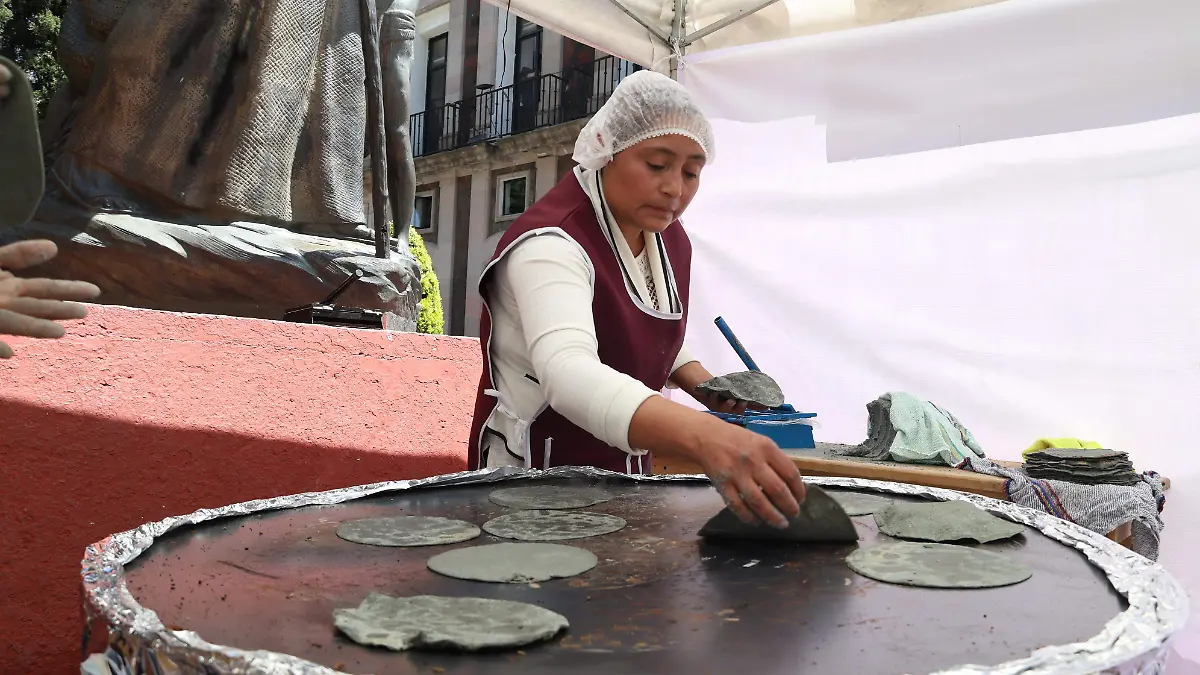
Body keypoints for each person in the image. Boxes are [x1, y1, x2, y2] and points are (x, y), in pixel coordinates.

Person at [467, 71, 806, 529]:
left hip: (623, 472)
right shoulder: (551, 244)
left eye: (691, 173)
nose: (674, 189)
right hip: (534, 477)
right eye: (657, 164)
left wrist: (702, 384)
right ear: (607, 151)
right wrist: (702, 435)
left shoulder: (666, 240)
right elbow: (568, 374)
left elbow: (643, 321)